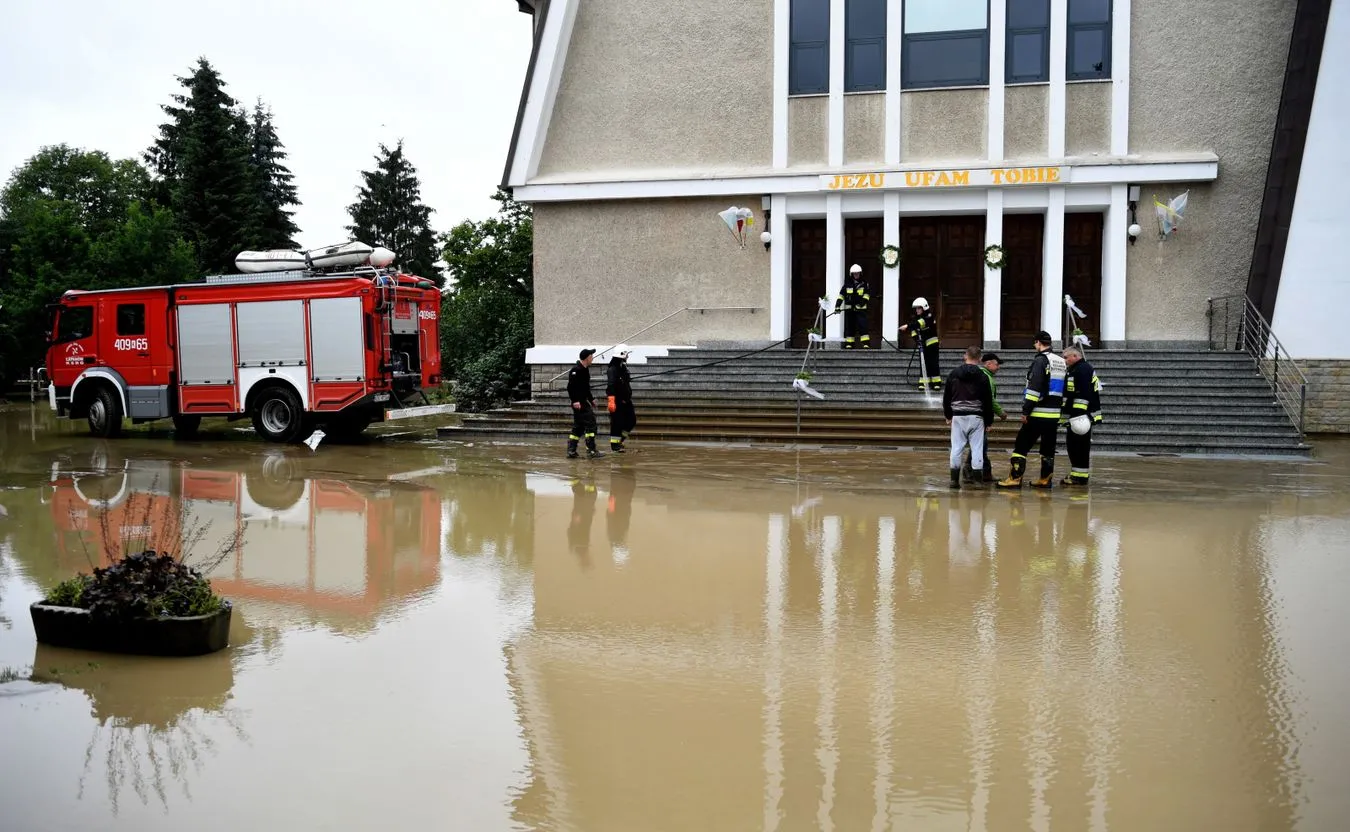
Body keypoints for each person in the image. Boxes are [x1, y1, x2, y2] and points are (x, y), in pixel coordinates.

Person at [996, 331, 1067, 489]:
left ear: (1038, 343)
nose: (1035, 346)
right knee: (1048, 448)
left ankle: (1015, 479)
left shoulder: (1040, 361)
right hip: (1054, 414)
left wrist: (1026, 411)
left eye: (1035, 344)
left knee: (1021, 445)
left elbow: (1034, 388)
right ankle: (1045, 479)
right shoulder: (1061, 362)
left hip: (1038, 413)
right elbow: (1066, 388)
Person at [943, 345, 995, 489]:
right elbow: (987, 400)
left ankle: (954, 480)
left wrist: (948, 415)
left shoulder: (953, 374)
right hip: (976, 417)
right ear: (979, 359)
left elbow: (947, 396)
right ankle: (978, 481)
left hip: (958, 416)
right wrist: (989, 421)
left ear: (965, 356)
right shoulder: (983, 376)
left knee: (956, 448)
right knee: (977, 448)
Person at [1060, 346, 1103, 486]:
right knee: (1075, 446)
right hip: (1077, 415)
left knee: (1078, 447)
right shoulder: (1077, 369)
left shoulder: (1082, 369)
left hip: (1081, 416)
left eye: (1066, 357)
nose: (1064, 360)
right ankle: (1077, 474)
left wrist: (1078, 415)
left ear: (1075, 356)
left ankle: (1079, 477)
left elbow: (1083, 394)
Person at [963, 352, 1008, 482]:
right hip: (979, 416)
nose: (998, 367)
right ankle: (971, 471)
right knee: (980, 445)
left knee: (980, 445)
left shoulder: (983, 375)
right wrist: (1000, 412)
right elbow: (989, 400)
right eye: (997, 364)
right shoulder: (985, 377)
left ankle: (983, 472)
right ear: (988, 364)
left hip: (975, 414)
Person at [566, 348, 604, 459]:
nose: (593, 358)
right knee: (591, 424)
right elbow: (570, 388)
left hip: (583, 401)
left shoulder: (585, 370)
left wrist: (591, 400)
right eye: (591, 356)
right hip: (579, 403)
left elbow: (586, 388)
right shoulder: (576, 370)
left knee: (578, 426)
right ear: (587, 358)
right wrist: (575, 401)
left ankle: (571, 451)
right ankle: (591, 450)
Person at [898, 297, 941, 388]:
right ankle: (924, 381)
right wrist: (917, 340)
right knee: (923, 362)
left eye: (919, 308)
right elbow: (914, 331)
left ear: (924, 307)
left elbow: (920, 324)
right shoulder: (916, 319)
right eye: (916, 308)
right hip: (923, 344)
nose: (917, 310)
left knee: (933, 362)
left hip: (932, 344)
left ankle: (936, 382)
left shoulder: (929, 316)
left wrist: (907, 326)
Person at [606, 346, 637, 452]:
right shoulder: (612, 369)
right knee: (617, 423)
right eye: (627, 354)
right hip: (617, 402)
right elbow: (611, 386)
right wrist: (611, 401)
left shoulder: (622, 367)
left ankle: (620, 440)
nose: (628, 356)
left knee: (631, 421)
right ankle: (614, 445)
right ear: (622, 354)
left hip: (626, 401)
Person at [835, 264, 871, 349]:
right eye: (854, 274)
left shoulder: (864, 283)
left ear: (860, 273)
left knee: (863, 326)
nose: (856, 275)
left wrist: (862, 303)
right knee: (850, 326)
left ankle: (865, 343)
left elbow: (867, 295)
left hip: (861, 309)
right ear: (851, 274)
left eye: (857, 273)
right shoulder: (847, 284)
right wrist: (837, 306)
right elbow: (841, 296)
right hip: (849, 309)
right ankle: (849, 344)